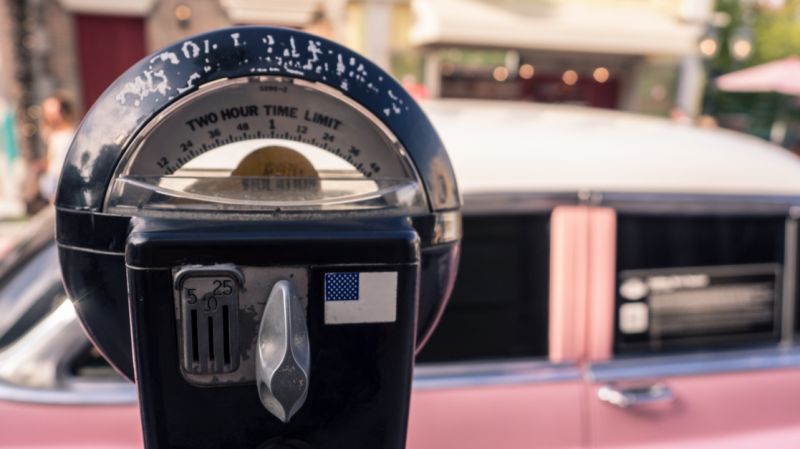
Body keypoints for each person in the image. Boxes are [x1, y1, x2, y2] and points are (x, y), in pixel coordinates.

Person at [38, 93, 76, 201]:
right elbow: (52, 157)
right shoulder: (50, 134)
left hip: (64, 177)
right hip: (53, 178)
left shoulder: (70, 132)